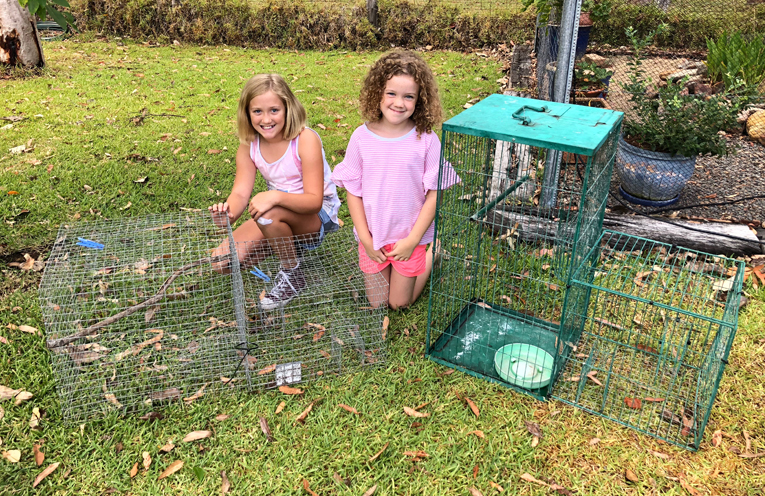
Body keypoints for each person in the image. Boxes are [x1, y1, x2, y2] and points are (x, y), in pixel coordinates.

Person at [332, 51, 460, 310]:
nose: (399, 103)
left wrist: (413, 240)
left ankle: (430, 255)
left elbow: (436, 193)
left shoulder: (426, 139)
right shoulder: (361, 137)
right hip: (374, 237)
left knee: (399, 304)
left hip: (409, 237)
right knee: (377, 304)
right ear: (377, 92)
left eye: (408, 96)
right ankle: (400, 263)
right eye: (391, 93)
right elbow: (353, 192)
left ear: (419, 100)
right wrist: (366, 240)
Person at [209, 73, 341, 310]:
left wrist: (275, 195)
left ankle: (293, 274)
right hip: (275, 211)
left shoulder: (305, 139)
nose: (266, 119)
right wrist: (227, 214)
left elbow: (314, 201)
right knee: (221, 262)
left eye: (274, 110)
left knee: (268, 213)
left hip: (318, 215)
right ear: (247, 114)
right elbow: (240, 194)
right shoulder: (249, 146)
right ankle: (285, 243)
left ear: (288, 109)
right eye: (257, 111)